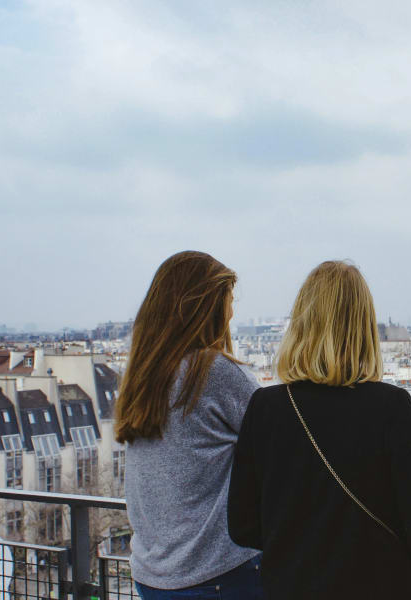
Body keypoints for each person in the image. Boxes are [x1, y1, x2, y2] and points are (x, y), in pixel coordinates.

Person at [228, 260, 411, 599]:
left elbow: (243, 526)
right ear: (364, 327)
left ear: (301, 324)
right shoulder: (391, 407)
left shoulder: (266, 407)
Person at [116, 251, 262, 600]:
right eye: (227, 302)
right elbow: (280, 443)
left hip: (154, 575)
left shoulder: (144, 375)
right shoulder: (214, 373)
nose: (231, 313)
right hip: (216, 574)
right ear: (205, 308)